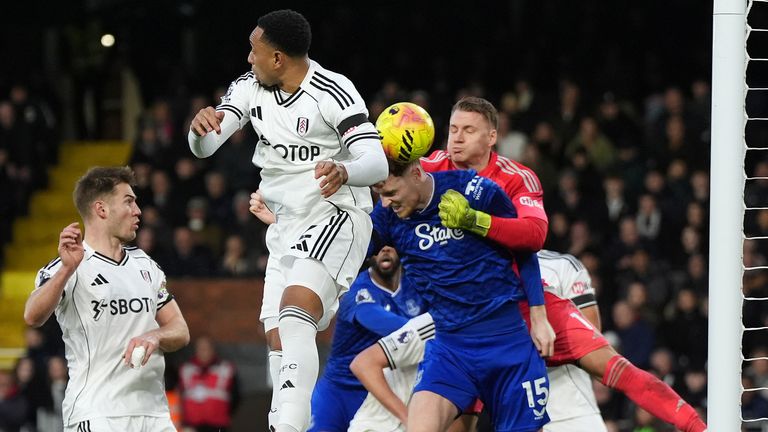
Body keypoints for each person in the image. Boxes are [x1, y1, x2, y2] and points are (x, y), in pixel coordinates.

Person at [426, 97, 707, 432]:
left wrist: (475, 220)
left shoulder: (516, 178)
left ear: (491, 137)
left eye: (468, 130)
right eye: (453, 129)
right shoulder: (429, 169)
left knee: (618, 369)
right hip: (468, 318)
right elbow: (388, 186)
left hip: (524, 304)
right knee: (457, 420)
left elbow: (534, 235)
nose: (456, 138)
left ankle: (699, 427)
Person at [189, 10, 388, 432]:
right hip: (284, 226)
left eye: (254, 50)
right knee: (279, 341)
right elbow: (206, 146)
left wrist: (345, 170)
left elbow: (376, 161)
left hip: (336, 214)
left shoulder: (332, 91)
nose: (248, 58)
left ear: (278, 58)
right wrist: (199, 129)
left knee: (296, 316)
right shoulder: (249, 87)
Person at [369, 160, 552, 432]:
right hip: (451, 349)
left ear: (417, 174)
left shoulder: (472, 188)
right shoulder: (387, 216)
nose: (385, 203)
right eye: (380, 195)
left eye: (392, 193)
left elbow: (524, 245)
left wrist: (538, 313)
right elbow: (354, 250)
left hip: (508, 343)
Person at [23, 166, 190, 432]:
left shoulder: (145, 264)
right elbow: (32, 315)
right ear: (101, 210)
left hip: (154, 413)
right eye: (129, 201)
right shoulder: (70, 265)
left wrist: (154, 336)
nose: (138, 211)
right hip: (98, 414)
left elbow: (180, 330)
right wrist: (67, 269)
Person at [308, 246, 422, 432]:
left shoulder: (414, 286)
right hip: (339, 392)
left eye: (390, 244)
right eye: (378, 247)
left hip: (380, 393)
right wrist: (425, 326)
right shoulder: (358, 290)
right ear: (369, 255)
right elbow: (380, 322)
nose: (384, 249)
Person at [178, 336, 240, 432]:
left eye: (206, 348)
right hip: (192, 425)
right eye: (200, 348)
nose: (203, 352)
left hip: (218, 425)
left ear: (212, 350)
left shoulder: (225, 369)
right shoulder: (186, 369)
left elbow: (236, 396)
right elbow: (179, 395)